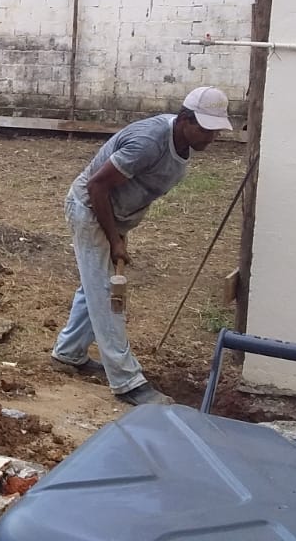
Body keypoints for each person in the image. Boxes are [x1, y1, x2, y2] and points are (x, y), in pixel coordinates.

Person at [50, 86, 232, 406]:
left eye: (216, 131)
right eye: (206, 130)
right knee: (107, 295)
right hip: (90, 209)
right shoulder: (148, 142)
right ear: (185, 120)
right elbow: (97, 186)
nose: (211, 138)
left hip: (113, 215)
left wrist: (120, 230)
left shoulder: (182, 143)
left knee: (95, 287)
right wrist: (114, 239)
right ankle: (127, 381)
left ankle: (69, 353)